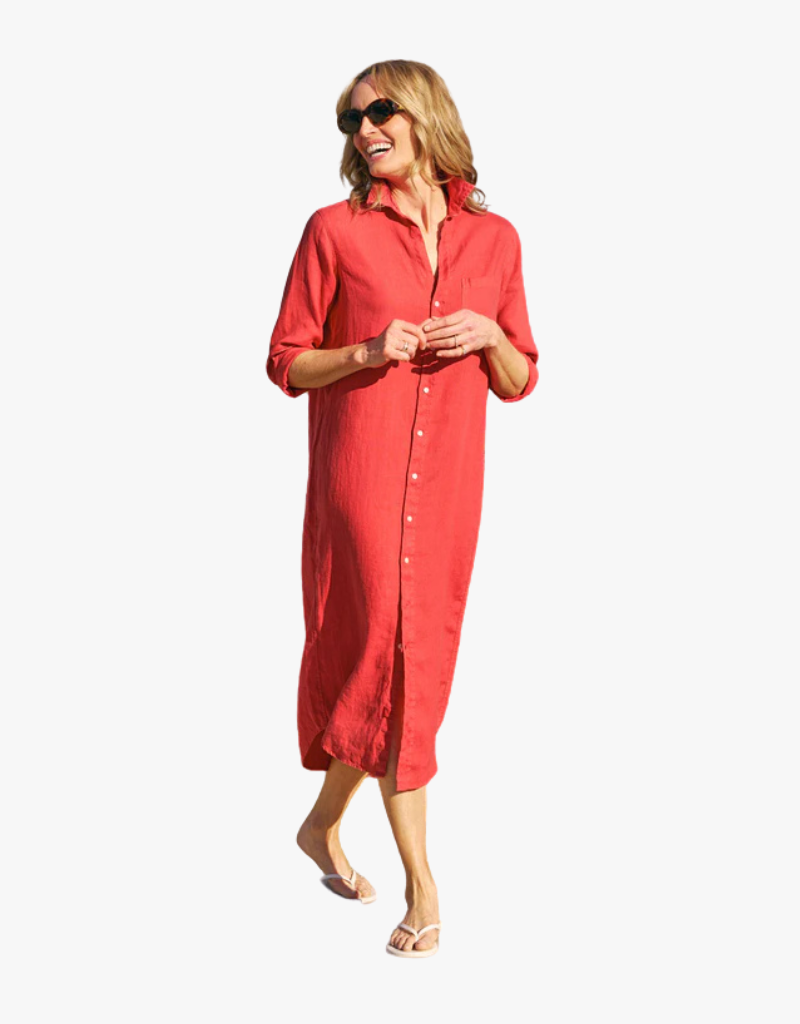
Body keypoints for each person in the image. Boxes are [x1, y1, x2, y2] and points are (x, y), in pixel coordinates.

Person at [266, 60, 539, 958]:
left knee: (401, 660)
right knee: (394, 653)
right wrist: (365, 350)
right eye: (351, 119)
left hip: (450, 490)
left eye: (380, 110)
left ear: (424, 113)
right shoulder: (333, 230)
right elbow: (286, 361)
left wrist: (490, 334)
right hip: (363, 479)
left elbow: (519, 379)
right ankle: (425, 886)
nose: (364, 129)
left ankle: (320, 825)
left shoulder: (495, 241)